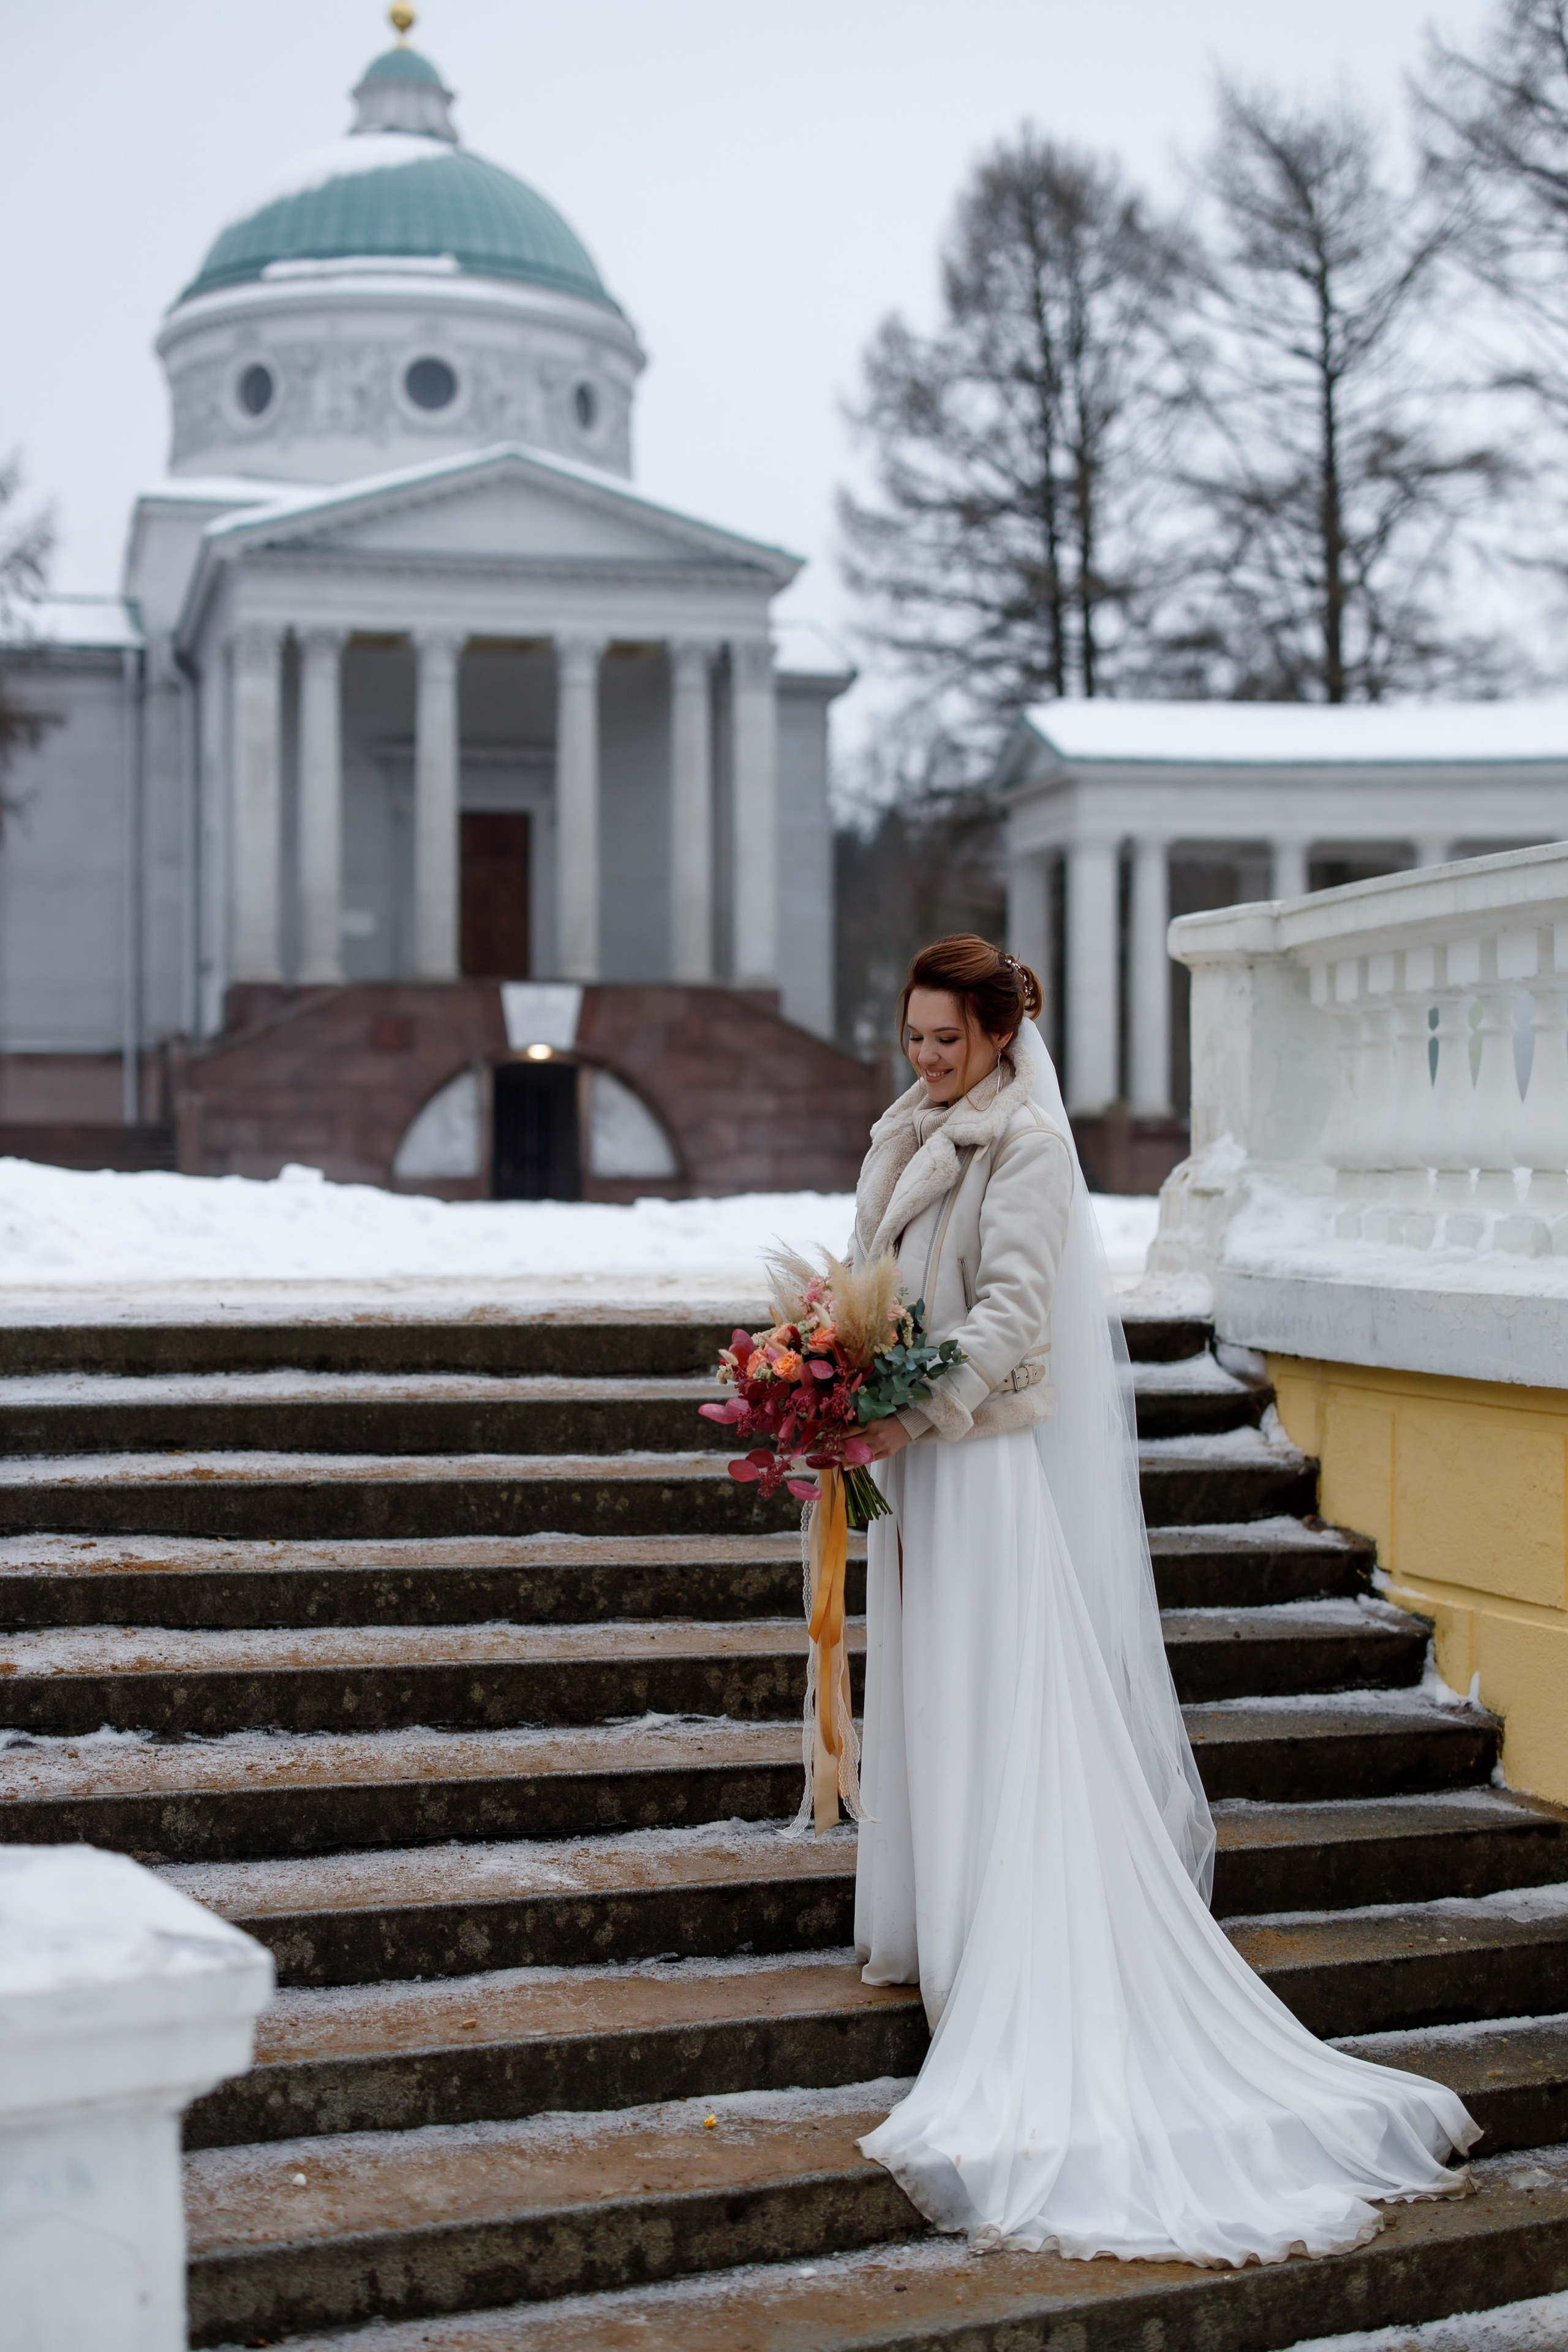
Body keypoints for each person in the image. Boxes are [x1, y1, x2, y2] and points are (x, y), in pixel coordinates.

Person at [847, 932, 1477, 2267]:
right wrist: (829, 1369)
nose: (924, 1060)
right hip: (917, 1475)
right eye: (911, 1039)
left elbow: (1014, 1315)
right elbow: (878, 1291)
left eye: (945, 1042)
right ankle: (934, 1915)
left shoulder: (1019, 1146)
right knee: (927, 1695)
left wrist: (900, 1401)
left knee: (994, 1699)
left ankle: (998, 1943)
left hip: (978, 1468)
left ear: (1001, 1038)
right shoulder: (910, 1125)